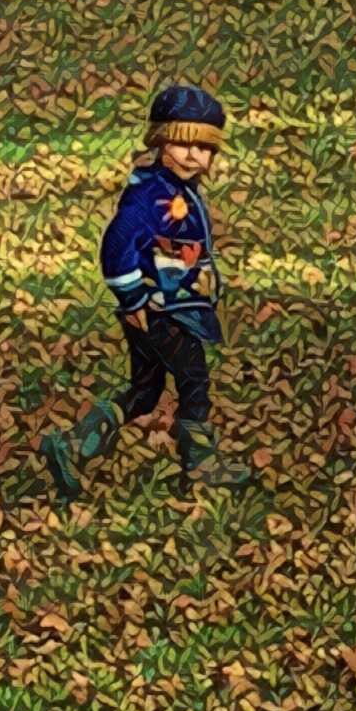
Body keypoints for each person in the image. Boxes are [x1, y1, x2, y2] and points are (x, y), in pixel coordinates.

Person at [36, 82, 254, 500]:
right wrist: (133, 297)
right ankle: (201, 465)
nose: (193, 155)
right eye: (182, 143)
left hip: (171, 306)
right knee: (193, 378)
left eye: (204, 147)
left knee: (145, 390)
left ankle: (73, 446)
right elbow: (117, 245)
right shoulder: (151, 195)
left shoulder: (179, 190)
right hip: (160, 308)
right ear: (159, 140)